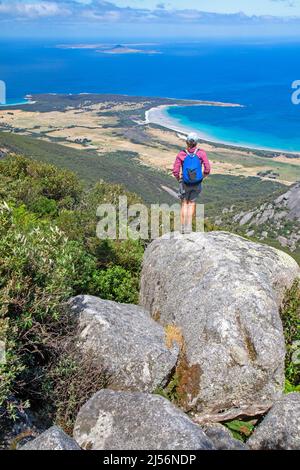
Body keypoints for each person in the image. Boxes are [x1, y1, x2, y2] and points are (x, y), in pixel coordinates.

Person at [173, 132, 211, 234]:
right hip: (197, 183)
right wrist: (202, 177)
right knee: (192, 203)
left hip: (184, 183)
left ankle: (182, 228)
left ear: (186, 142)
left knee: (184, 203)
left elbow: (175, 171)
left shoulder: (181, 154)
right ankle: (188, 227)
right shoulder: (201, 153)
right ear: (196, 143)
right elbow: (207, 169)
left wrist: (179, 179)